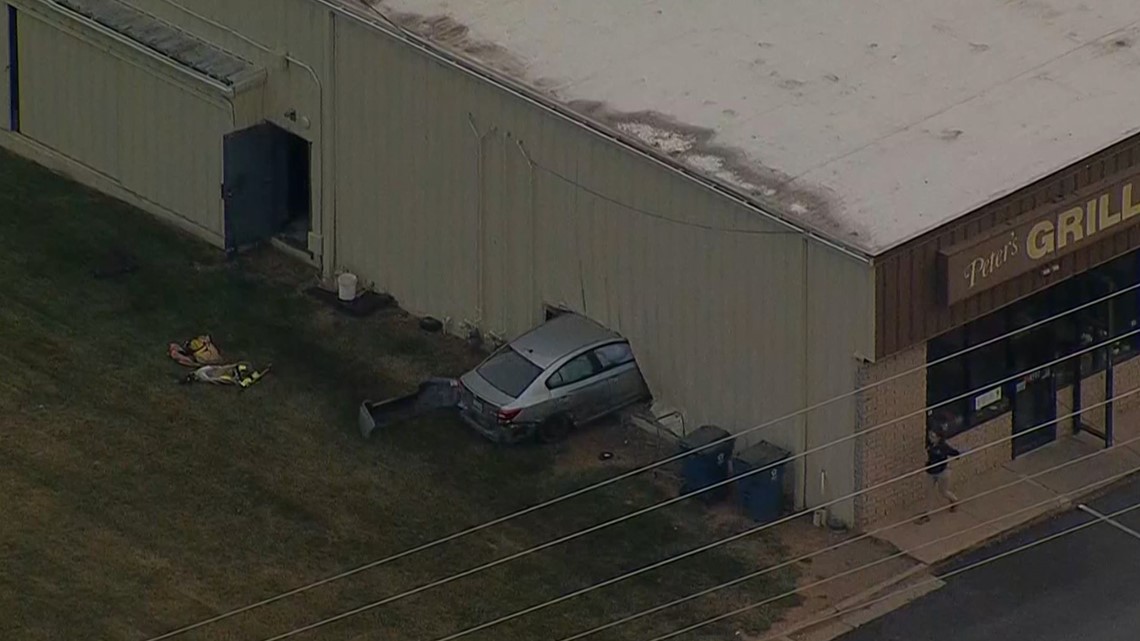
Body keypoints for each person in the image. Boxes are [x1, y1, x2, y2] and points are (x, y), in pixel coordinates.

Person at [915, 426, 960, 524]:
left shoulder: (943, 447)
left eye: (933, 436)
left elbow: (954, 453)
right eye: (930, 435)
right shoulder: (930, 445)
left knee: (943, 492)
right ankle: (928, 514)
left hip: (942, 473)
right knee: (929, 492)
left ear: (938, 437)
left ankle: (954, 500)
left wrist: (958, 454)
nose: (930, 437)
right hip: (931, 472)